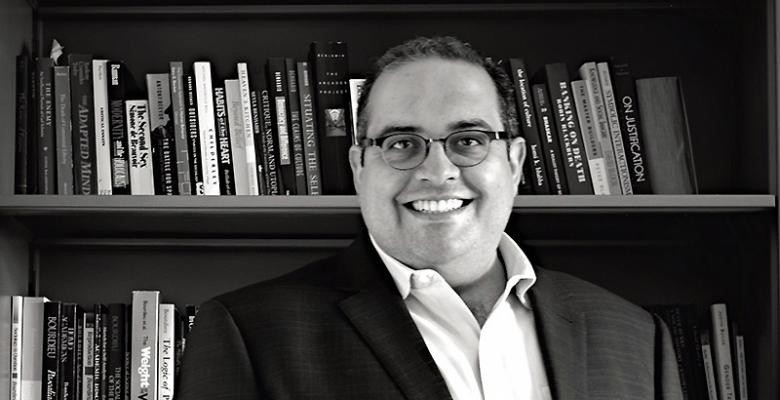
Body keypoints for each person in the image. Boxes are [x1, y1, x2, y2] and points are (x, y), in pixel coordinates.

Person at [178, 36, 683, 400]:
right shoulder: (250, 333)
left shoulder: (635, 335)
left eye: (468, 141)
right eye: (402, 143)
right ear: (359, 166)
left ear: (514, 161)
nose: (437, 171)